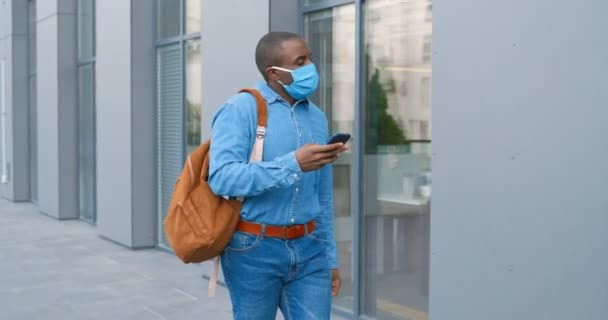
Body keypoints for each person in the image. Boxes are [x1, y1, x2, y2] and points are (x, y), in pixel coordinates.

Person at [208, 31, 347, 320]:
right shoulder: (240, 108)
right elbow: (221, 177)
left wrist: (330, 257)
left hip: (311, 250)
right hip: (253, 249)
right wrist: (293, 164)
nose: (311, 66)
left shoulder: (317, 117)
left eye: (310, 58)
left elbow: (321, 194)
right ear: (275, 73)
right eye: (301, 61)